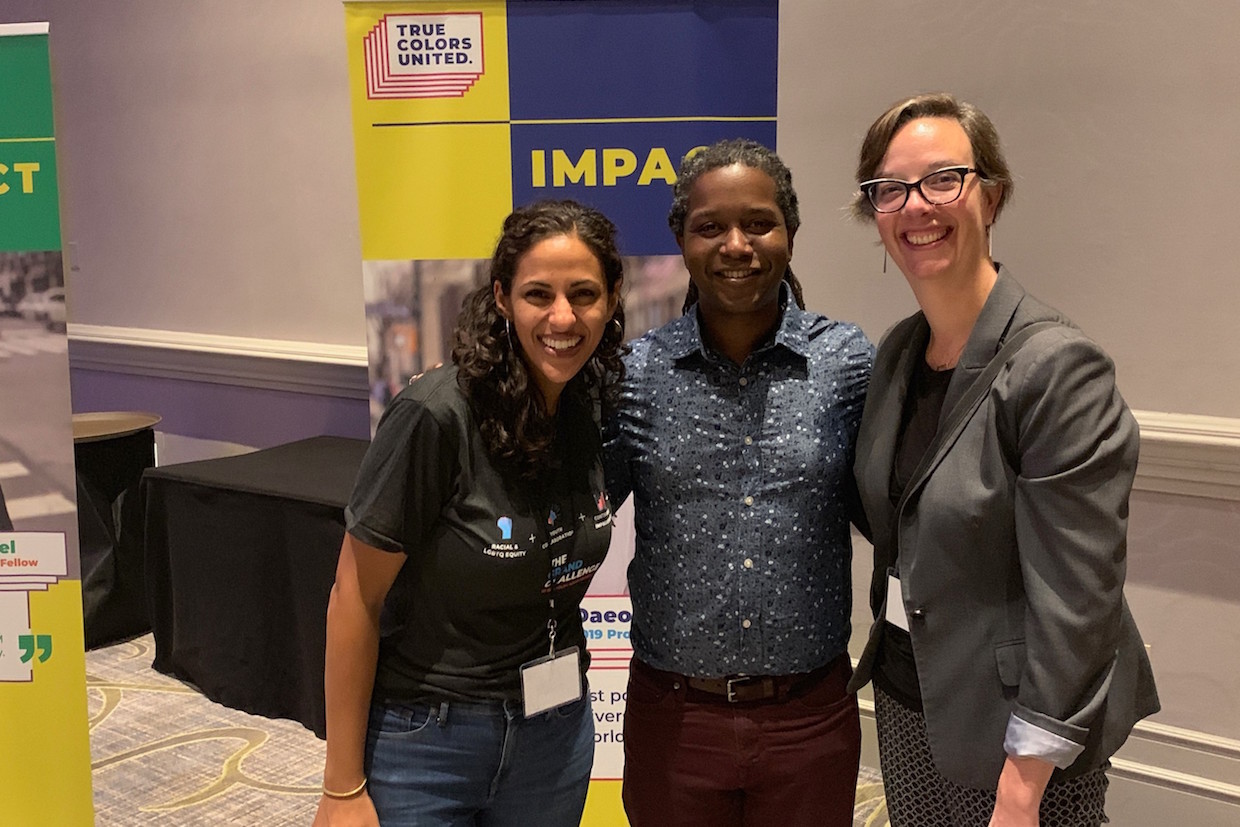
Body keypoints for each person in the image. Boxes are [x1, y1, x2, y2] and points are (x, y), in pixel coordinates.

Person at [846, 92, 1160, 827]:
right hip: (909, 693)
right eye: (890, 189)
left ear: (993, 193)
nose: (916, 206)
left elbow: (1077, 602)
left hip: (1019, 738)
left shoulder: (1056, 366)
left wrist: (1021, 793)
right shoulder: (897, 353)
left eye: (943, 179)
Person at [312, 200, 625, 827]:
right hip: (429, 737)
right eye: (539, 294)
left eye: (583, 294)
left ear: (612, 300)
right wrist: (341, 787)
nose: (563, 316)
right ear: (504, 299)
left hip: (555, 731)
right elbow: (354, 597)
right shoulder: (437, 415)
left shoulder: (598, 408)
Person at [604, 138, 874, 827]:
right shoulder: (635, 374)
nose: (736, 244)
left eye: (758, 222)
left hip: (810, 719)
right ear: (681, 240)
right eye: (710, 226)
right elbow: (571, 504)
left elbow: (900, 506)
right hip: (676, 719)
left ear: (790, 231)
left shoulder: (846, 364)